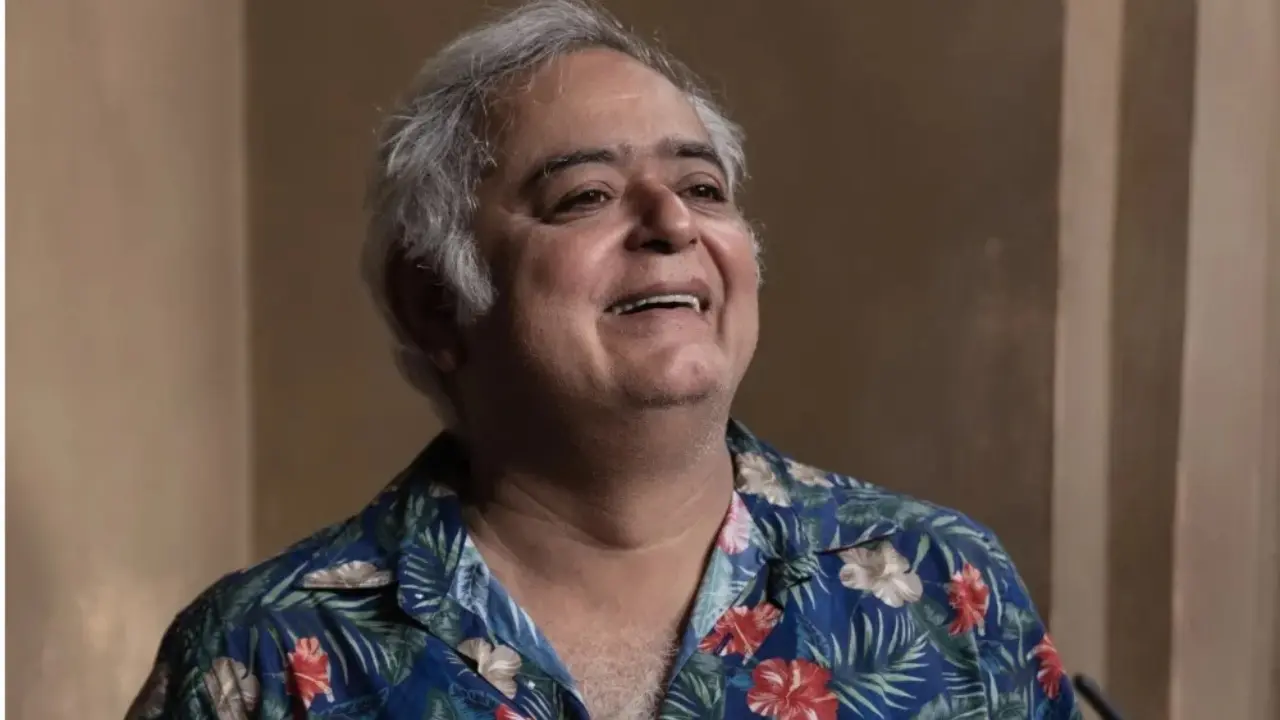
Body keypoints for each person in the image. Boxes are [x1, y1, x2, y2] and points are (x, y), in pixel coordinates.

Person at [128, 1, 1080, 718]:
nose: (672, 223)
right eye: (584, 195)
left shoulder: (944, 587)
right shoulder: (263, 655)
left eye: (703, 187)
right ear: (437, 301)